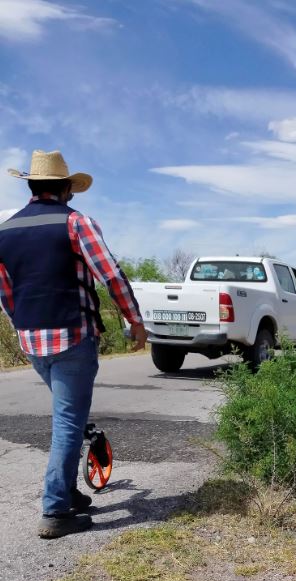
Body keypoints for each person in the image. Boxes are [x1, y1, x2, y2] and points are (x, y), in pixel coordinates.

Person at [0, 149, 148, 538]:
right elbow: (111, 275)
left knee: (71, 416)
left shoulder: (4, 231)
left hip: (31, 340)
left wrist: (23, 326)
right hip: (73, 336)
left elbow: (6, 293)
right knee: (68, 421)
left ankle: (68, 492)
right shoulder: (76, 222)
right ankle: (55, 510)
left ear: (32, 187)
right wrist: (135, 321)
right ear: (66, 188)